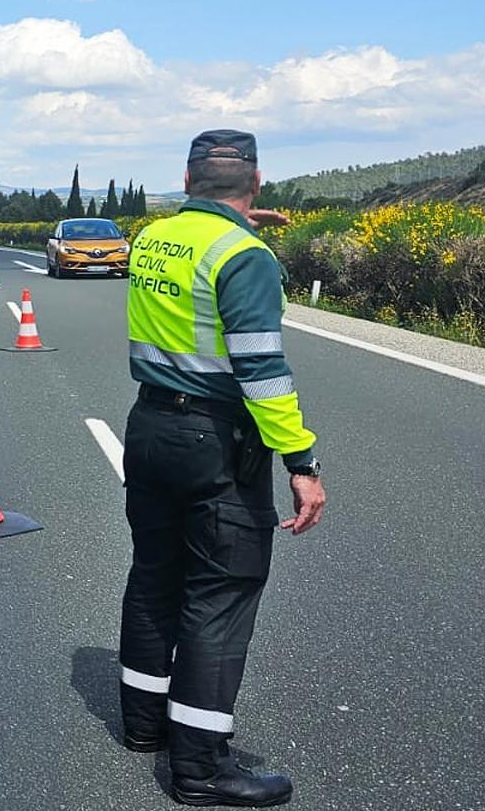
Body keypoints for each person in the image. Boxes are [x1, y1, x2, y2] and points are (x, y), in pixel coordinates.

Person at [119, 130, 327, 807]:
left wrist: (239, 230)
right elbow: (263, 369)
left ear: (187, 178)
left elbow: (198, 282)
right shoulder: (246, 255)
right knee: (220, 594)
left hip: (149, 424)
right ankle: (201, 769)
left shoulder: (153, 238)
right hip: (213, 440)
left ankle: (146, 725)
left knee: (155, 577)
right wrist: (302, 461)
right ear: (258, 183)